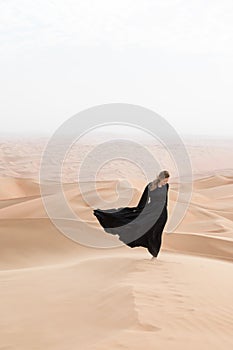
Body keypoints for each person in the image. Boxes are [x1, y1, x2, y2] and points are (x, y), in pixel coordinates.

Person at [93, 170, 170, 258]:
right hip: (150, 212)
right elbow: (143, 201)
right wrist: (138, 211)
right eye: (165, 181)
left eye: (167, 181)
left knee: (157, 233)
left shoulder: (167, 186)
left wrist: (165, 211)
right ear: (160, 178)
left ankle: (154, 254)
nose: (166, 183)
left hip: (162, 214)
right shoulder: (150, 186)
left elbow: (165, 200)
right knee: (139, 226)